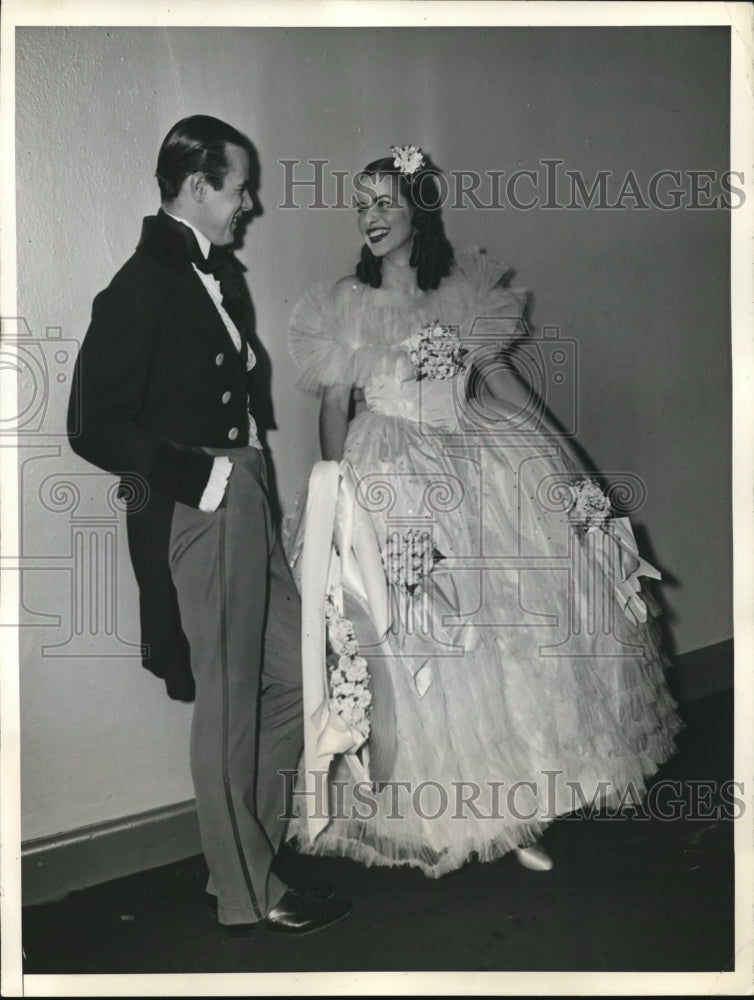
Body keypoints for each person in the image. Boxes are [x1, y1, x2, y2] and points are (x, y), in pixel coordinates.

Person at [286, 146, 682, 878]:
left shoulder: (461, 288)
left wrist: (561, 456)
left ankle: (515, 811)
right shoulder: (347, 299)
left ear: (417, 209)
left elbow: (495, 381)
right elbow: (338, 408)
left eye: (385, 202)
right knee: (423, 641)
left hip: (478, 461)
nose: (371, 218)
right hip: (392, 474)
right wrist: (337, 494)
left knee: (508, 635)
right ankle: (441, 816)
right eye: (362, 204)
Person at [67, 115, 351, 935]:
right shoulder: (139, 284)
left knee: (296, 677)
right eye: (238, 187)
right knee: (227, 701)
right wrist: (204, 476)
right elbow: (91, 423)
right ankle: (248, 891)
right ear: (198, 187)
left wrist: (250, 474)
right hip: (200, 500)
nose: (249, 203)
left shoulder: (215, 275)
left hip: (244, 489)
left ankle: (244, 859)